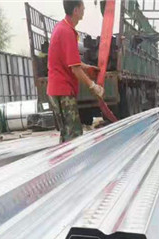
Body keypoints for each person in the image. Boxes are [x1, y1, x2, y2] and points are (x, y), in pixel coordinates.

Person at [48, 0, 104, 143]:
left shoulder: (61, 27)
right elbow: (75, 69)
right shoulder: (67, 32)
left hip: (57, 90)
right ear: (76, 10)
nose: (84, 9)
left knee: (67, 134)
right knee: (73, 135)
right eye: (82, 7)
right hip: (63, 91)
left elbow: (69, 61)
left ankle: (63, 157)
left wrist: (86, 67)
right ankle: (68, 158)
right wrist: (93, 86)